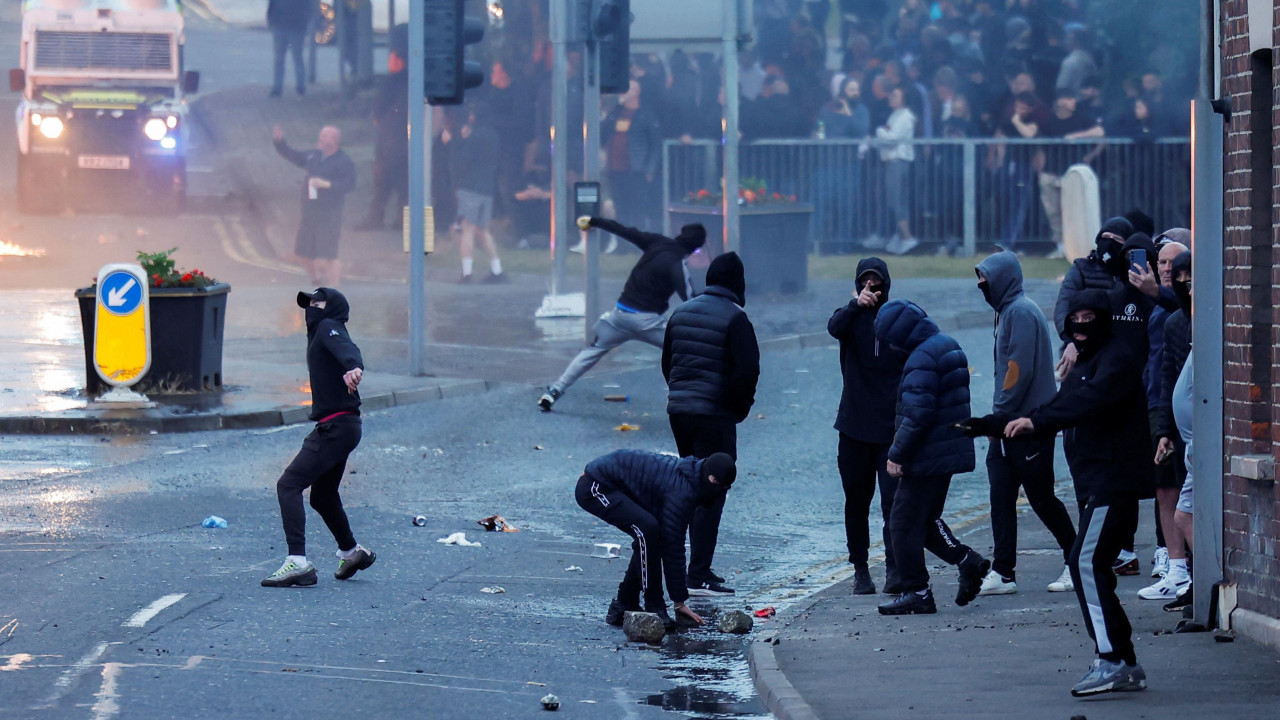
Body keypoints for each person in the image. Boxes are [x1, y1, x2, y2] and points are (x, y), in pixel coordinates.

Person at [1004, 289, 1148, 697]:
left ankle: (1113, 659)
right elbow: (1065, 403)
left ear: (1103, 319)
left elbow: (1087, 403)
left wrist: (1034, 422)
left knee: (1085, 563)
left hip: (1112, 480)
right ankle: (1121, 657)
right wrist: (1031, 422)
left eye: (1090, 318)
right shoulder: (1086, 360)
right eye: (1075, 319)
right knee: (1090, 563)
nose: (1082, 326)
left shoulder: (1115, 361)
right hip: (1095, 482)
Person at [968, 252, 1077, 596]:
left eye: (986, 281)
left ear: (1003, 280)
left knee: (1041, 497)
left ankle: (1078, 563)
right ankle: (1003, 572)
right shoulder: (1007, 311)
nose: (981, 287)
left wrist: (998, 414)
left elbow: (1017, 371)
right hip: (1008, 425)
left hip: (1026, 425)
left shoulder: (1019, 311)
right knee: (1000, 496)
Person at [873, 299, 990, 615]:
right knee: (924, 521)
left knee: (901, 522)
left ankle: (917, 592)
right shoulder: (945, 344)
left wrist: (897, 453)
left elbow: (918, 414)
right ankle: (967, 561)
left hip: (926, 455)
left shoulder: (921, 358)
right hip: (945, 452)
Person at [662, 252, 760, 597]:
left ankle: (684, 567)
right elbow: (747, 371)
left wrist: (680, 396)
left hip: (680, 411)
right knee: (712, 489)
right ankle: (698, 573)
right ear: (738, 283)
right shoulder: (736, 318)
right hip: (714, 414)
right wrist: (737, 410)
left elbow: (667, 362)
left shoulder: (681, 312)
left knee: (690, 483)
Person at [262, 288, 373, 588]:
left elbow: (348, 348)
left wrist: (354, 367)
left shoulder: (329, 325)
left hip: (336, 427)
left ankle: (297, 562)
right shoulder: (320, 332)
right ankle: (351, 552)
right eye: (308, 304)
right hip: (342, 426)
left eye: (317, 302)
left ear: (332, 307)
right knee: (322, 496)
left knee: (289, 485)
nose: (311, 308)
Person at [538, 219, 706, 411]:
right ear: (695, 248)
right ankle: (693, 399)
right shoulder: (677, 265)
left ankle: (553, 391)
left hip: (619, 317)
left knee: (590, 353)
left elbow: (625, 230)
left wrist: (595, 221)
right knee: (688, 350)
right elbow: (691, 298)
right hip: (648, 322)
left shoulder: (657, 242)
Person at [575, 449, 736, 629]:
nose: (717, 492)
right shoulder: (683, 492)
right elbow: (673, 547)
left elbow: (669, 542)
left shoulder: (694, 477)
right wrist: (678, 602)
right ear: (708, 475)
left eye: (724, 488)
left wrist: (678, 600)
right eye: (714, 483)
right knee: (647, 530)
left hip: (617, 484)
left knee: (651, 532)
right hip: (595, 485)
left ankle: (625, 603)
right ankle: (653, 606)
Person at [828, 258, 909, 595]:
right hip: (853, 427)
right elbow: (833, 327)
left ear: (886, 285)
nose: (871, 288)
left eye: (877, 283)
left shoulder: (899, 319)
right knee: (856, 502)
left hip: (888, 430)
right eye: (866, 282)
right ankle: (860, 569)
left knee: (893, 504)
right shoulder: (849, 318)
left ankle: (894, 568)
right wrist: (855, 305)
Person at [1138, 235, 1188, 589]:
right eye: (1163, 262)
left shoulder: (1173, 303)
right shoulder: (1155, 304)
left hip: (1176, 404)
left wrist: (1157, 292)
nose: (1168, 269)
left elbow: (1183, 306)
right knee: (1164, 489)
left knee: (1177, 488)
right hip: (1158, 400)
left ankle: (1183, 569)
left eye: (1175, 263)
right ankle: (1175, 566)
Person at [1151, 250, 1193, 611]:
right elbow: (1167, 377)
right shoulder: (1175, 323)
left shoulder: (1207, 319)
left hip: (1203, 430)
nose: (1183, 284)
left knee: (1188, 507)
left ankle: (1195, 574)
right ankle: (1187, 574)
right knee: (1179, 499)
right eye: (1178, 278)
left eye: (1189, 278)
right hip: (1181, 431)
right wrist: (1164, 429)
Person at [273, 125, 357, 287]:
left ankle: (335, 287)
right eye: (321, 135)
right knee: (302, 253)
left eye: (325, 136)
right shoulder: (313, 155)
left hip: (329, 214)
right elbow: (293, 155)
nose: (320, 139)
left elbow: (350, 184)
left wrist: (327, 184)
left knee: (329, 255)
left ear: (334, 141)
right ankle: (315, 280)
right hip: (309, 213)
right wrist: (279, 142)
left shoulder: (344, 161)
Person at [442, 108, 505, 283]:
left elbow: (462, 159)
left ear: (473, 117)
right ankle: (497, 270)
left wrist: (454, 142)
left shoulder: (474, 136)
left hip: (470, 188)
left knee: (467, 230)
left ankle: (467, 273)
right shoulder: (494, 136)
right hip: (487, 189)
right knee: (483, 230)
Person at [356, 26, 409, 231]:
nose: (389, 62)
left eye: (392, 58)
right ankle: (402, 222)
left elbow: (377, 111)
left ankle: (375, 219)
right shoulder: (417, 80)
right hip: (408, 144)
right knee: (405, 187)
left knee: (382, 185)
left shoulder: (391, 82)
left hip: (389, 144)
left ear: (399, 61)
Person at [874, 87, 918, 255]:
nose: (891, 97)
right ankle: (899, 236)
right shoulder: (894, 115)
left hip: (898, 161)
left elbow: (892, 138)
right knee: (897, 199)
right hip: (891, 161)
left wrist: (880, 132)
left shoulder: (906, 117)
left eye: (895, 95)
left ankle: (907, 237)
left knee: (896, 200)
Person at [267, 0, 311, 98]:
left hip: (291, 27)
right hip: (288, 27)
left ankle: (282, 88)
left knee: (286, 58)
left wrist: (271, 21)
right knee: (292, 58)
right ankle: (298, 87)